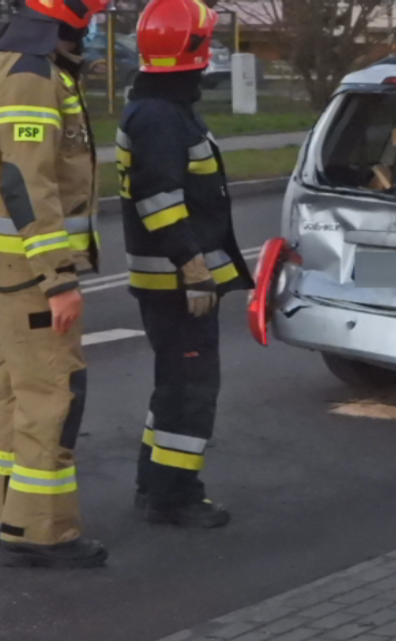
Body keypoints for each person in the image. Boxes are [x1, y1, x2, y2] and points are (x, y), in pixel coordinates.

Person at [0, 0, 108, 568]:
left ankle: (1, 509)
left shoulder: (21, 61)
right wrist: (59, 279)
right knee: (53, 394)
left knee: (17, 390)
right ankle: (41, 531)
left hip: (8, 265)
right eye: (91, 14)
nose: (94, 24)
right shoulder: (31, 73)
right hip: (29, 269)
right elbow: (28, 182)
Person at [119, 0, 253, 528]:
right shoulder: (159, 116)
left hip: (173, 279)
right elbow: (159, 200)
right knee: (190, 390)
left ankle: (155, 483)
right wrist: (193, 266)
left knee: (174, 384)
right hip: (178, 282)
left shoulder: (162, 108)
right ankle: (174, 497)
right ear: (193, 52)